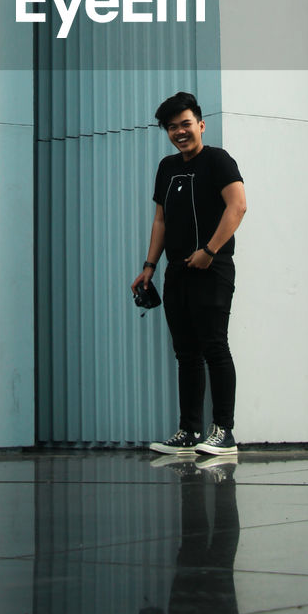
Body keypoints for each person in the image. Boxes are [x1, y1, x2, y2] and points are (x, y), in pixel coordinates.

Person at [131, 91, 247, 457]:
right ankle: (189, 431)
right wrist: (149, 266)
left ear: (200, 124)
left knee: (215, 346)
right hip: (176, 271)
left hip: (213, 269)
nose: (179, 132)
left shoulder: (218, 160)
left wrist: (209, 251)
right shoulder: (167, 167)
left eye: (185, 124)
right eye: (171, 127)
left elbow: (238, 205)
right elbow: (161, 219)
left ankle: (223, 431)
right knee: (186, 353)